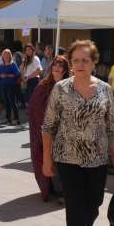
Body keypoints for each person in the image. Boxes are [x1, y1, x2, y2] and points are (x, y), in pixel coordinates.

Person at [42, 39, 114, 226]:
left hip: (97, 158)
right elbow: (47, 126)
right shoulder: (60, 89)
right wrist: (46, 159)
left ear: (93, 63)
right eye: (76, 60)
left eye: (85, 60)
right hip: (67, 157)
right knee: (75, 206)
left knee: (94, 203)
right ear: (70, 63)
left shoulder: (105, 90)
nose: (80, 64)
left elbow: (111, 128)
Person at [28, 56, 70, 201]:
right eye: (55, 65)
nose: (57, 68)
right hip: (47, 131)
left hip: (65, 131)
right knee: (49, 158)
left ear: (65, 70)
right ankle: (54, 189)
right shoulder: (43, 85)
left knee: (62, 161)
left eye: (60, 66)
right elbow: (34, 107)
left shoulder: (70, 86)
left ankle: (62, 190)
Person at [0, 49, 21, 126]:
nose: (6, 56)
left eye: (7, 55)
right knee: (6, 102)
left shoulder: (13, 64)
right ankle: (8, 118)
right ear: (2, 56)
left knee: (12, 102)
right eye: (4, 55)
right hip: (3, 85)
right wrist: (0, 75)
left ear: (10, 56)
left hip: (11, 85)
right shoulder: (2, 65)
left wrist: (7, 75)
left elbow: (17, 74)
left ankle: (16, 119)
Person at [21, 43, 43, 110]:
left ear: (32, 50)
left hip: (33, 80)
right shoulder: (26, 60)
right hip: (27, 81)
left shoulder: (35, 58)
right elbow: (21, 70)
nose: (28, 51)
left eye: (29, 49)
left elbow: (39, 71)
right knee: (27, 100)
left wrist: (28, 77)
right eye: (26, 50)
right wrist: (23, 60)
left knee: (32, 99)